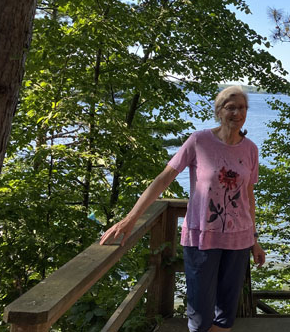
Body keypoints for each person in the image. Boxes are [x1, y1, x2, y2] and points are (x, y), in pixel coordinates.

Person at [100, 86, 266, 332]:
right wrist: (130, 219)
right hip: (202, 238)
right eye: (230, 107)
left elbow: (248, 196)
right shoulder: (199, 141)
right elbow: (164, 179)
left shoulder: (250, 149)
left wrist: (254, 239)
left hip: (239, 240)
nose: (237, 113)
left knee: (225, 315)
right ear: (219, 111)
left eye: (242, 108)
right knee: (199, 316)